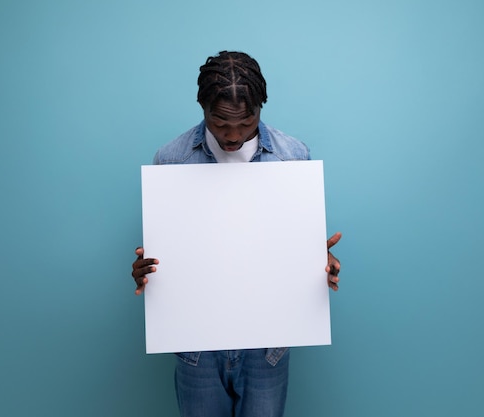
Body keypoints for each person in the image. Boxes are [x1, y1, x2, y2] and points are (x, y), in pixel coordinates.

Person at [132, 51, 342, 417]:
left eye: (246, 124)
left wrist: (319, 263)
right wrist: (146, 269)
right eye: (220, 123)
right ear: (202, 107)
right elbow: (172, 252)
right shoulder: (171, 160)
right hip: (196, 344)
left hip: (268, 345)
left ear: (261, 106)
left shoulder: (293, 157)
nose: (233, 136)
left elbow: (292, 248)